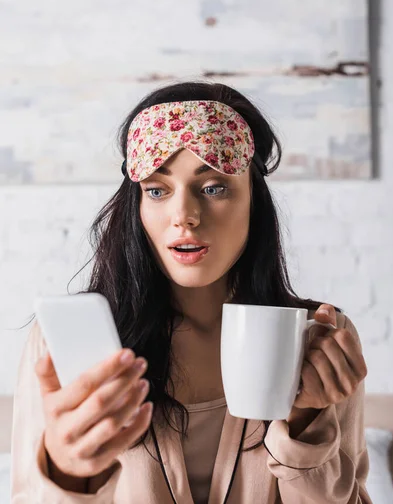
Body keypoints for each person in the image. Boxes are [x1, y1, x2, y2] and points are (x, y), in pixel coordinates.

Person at [10, 81, 372, 503]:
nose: (184, 216)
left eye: (214, 187)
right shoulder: (64, 343)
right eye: (157, 190)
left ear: (253, 200)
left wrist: (306, 421)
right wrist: (68, 474)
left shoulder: (318, 341)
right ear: (138, 205)